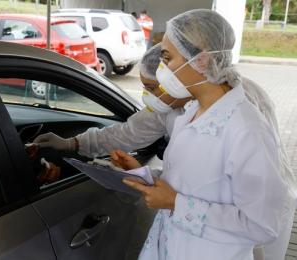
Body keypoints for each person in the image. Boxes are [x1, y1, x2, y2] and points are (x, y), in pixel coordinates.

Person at [34, 9, 296, 260]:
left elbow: (262, 224)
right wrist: (143, 175)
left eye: (167, 58)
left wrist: (176, 204)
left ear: (202, 60)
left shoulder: (247, 129)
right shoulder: (191, 112)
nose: (161, 70)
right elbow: (188, 182)